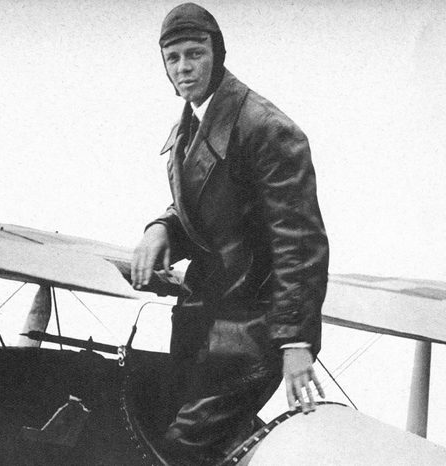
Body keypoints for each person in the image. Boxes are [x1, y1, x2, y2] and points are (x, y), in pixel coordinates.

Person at [131, 3, 330, 464]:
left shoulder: (267, 129)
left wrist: (297, 343)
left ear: (217, 54)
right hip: (205, 328)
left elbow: (299, 243)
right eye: (173, 57)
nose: (184, 67)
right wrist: (162, 228)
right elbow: (217, 208)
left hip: (252, 335)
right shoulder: (194, 120)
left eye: (195, 54)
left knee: (178, 449)